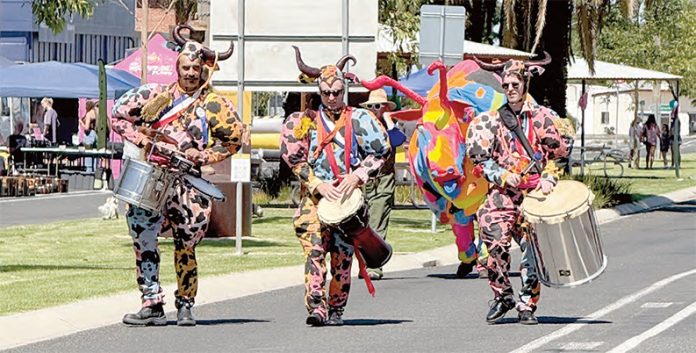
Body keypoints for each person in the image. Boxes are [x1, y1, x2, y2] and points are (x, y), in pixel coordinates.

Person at [111, 24, 244, 327]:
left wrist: (207, 156)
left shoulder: (214, 104)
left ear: (203, 70)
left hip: (190, 184)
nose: (190, 73)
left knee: (187, 245)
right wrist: (142, 139)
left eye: (195, 68)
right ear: (177, 66)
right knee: (143, 239)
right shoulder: (156, 94)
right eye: (185, 67)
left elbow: (236, 138)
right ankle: (151, 303)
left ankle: (185, 304)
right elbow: (117, 115)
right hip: (154, 178)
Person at [280, 46, 391, 327]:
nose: (332, 97)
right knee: (315, 251)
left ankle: (337, 308)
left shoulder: (361, 119)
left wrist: (358, 176)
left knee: (343, 259)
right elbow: (294, 158)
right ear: (319, 91)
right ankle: (316, 306)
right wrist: (316, 183)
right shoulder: (303, 121)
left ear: (345, 90)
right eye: (327, 92)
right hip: (315, 200)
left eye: (337, 92)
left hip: (347, 200)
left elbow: (381, 151)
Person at [466, 56, 569, 325]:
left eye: (515, 83)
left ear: (525, 83)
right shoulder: (490, 121)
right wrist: (501, 174)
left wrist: (548, 178)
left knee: (532, 252)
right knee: (493, 241)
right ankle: (503, 295)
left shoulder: (544, 118)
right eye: (507, 84)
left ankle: (526, 305)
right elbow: (479, 160)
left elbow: (558, 156)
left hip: (535, 195)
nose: (510, 88)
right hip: (502, 194)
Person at [359, 89, 406, 280]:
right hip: (363, 180)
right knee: (362, 225)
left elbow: (398, 141)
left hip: (384, 180)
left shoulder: (391, 128)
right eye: (371, 106)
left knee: (377, 223)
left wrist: (388, 120)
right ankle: (364, 264)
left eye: (378, 106)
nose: (374, 110)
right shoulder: (361, 126)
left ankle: (374, 266)